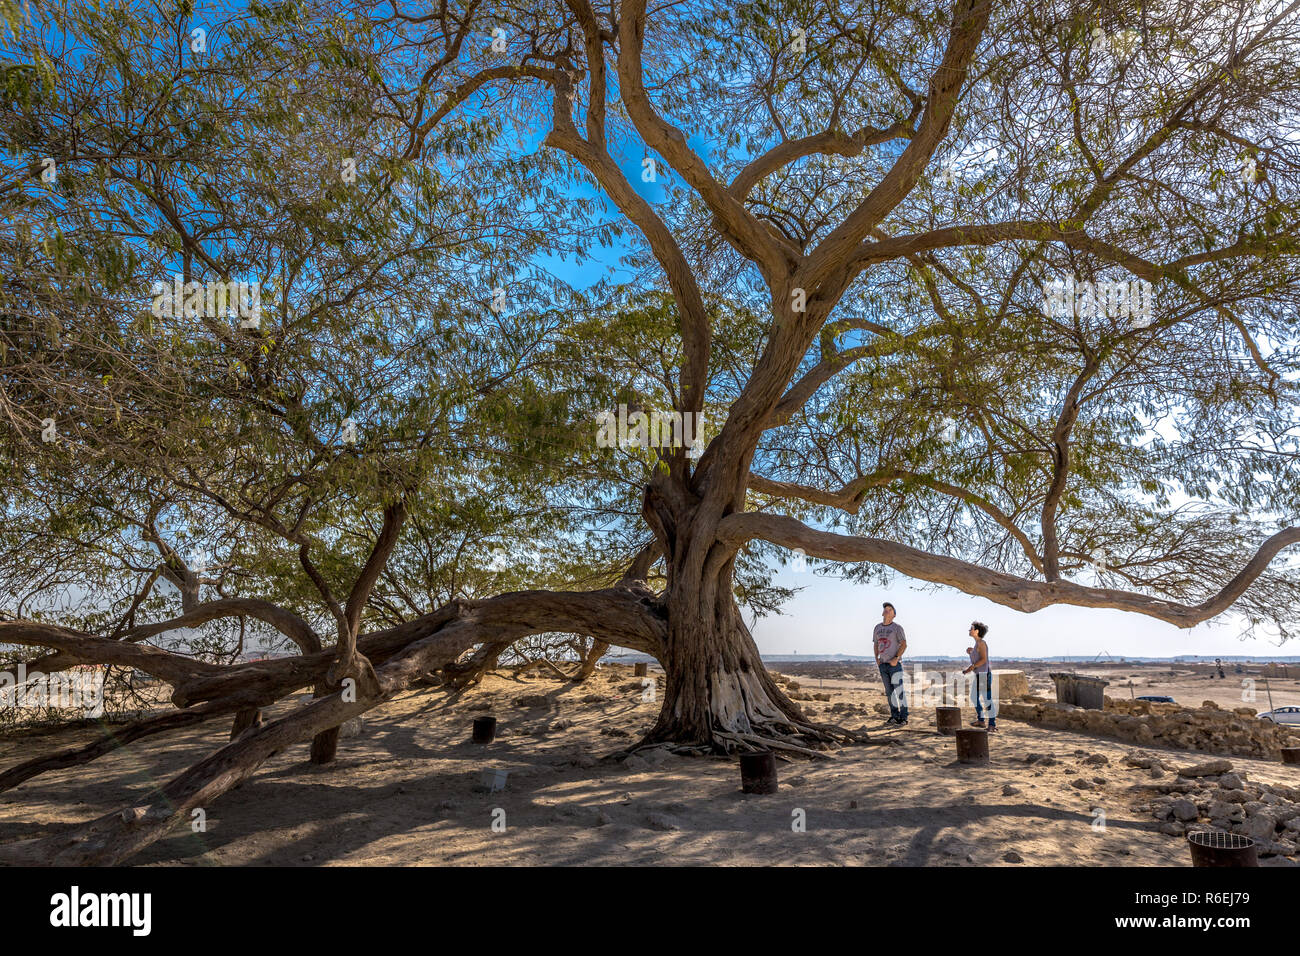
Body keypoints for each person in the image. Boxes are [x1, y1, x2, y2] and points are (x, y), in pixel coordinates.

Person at [873, 602, 908, 726]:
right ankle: (894, 716)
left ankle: (903, 717)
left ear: (894, 615)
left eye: (890, 609)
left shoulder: (897, 628)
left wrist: (896, 658)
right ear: (883, 613)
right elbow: (876, 644)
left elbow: (904, 644)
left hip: (894, 665)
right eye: (885, 609)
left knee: (899, 691)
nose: (887, 611)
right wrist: (876, 658)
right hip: (883, 665)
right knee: (889, 692)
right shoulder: (877, 628)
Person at [962, 621, 996, 731]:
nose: (969, 630)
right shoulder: (977, 644)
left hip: (984, 675)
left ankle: (992, 725)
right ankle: (981, 720)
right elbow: (978, 656)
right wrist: (971, 652)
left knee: (987, 699)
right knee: (974, 697)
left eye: (971, 628)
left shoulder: (981, 643)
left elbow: (984, 660)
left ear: (977, 631)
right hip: (979, 675)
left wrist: (970, 668)